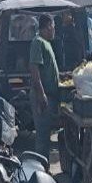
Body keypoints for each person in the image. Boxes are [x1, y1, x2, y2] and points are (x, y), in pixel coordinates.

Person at [30, 14, 60, 162]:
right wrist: (41, 95)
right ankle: (40, 168)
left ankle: (44, 166)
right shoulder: (38, 42)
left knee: (47, 135)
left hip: (50, 95)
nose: (54, 30)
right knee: (42, 136)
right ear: (48, 26)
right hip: (42, 96)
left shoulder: (47, 43)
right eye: (53, 27)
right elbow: (34, 69)